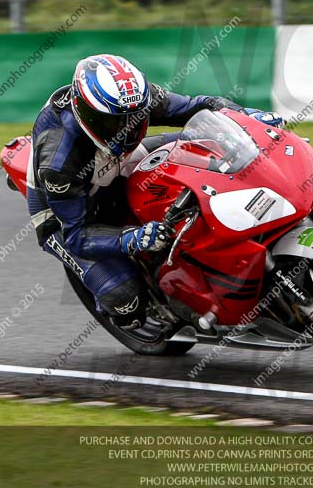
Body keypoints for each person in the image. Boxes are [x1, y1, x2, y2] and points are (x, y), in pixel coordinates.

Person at [27, 54, 282, 330]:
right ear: (85, 113)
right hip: (61, 211)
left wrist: (244, 118)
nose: (125, 130)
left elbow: (197, 107)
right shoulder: (59, 159)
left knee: (211, 146)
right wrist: (131, 238)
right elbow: (77, 235)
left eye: (132, 120)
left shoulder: (136, 99)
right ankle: (125, 301)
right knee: (125, 299)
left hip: (115, 162)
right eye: (113, 123)